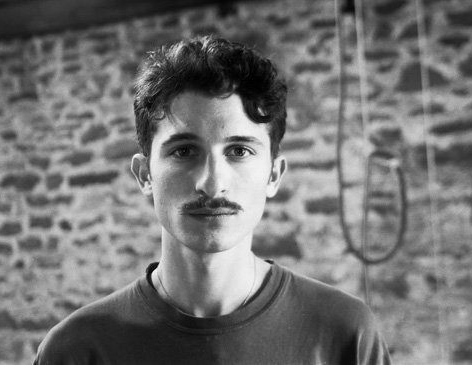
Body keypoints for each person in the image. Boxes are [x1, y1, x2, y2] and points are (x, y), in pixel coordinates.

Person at [33, 36, 392, 365]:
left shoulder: (344, 334)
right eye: (184, 151)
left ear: (273, 175)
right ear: (145, 175)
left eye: (239, 151)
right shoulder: (75, 351)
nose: (212, 183)